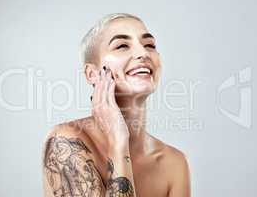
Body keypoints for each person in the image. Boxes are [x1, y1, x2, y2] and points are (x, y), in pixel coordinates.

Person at [42, 13, 191, 197]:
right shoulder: (66, 142)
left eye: (150, 45)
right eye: (122, 46)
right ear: (92, 74)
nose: (143, 53)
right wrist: (119, 142)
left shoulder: (174, 162)